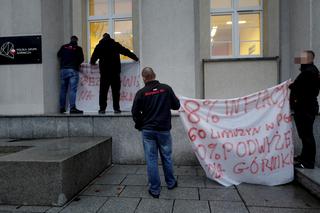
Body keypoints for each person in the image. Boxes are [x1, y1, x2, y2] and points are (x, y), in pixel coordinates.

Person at [131, 67, 180, 198]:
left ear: (144, 78)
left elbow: (135, 112)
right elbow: (176, 106)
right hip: (164, 130)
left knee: (151, 159)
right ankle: (170, 183)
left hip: (148, 131)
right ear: (155, 75)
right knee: (167, 157)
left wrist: (140, 125)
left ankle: (155, 190)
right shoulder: (166, 89)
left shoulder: (141, 93)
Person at [90, 33, 139, 114]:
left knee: (103, 92)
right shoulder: (115, 45)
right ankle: (116, 108)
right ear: (110, 38)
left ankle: (102, 109)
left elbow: (93, 59)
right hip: (115, 72)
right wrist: (135, 58)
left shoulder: (99, 46)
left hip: (104, 73)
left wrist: (93, 62)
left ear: (103, 38)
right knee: (116, 92)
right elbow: (126, 51)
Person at [290, 50, 320, 169]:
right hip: (304, 108)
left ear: (309, 59)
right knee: (304, 135)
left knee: (307, 135)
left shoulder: (309, 72)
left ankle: (309, 162)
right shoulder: (309, 71)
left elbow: (302, 88)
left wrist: (292, 86)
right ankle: (304, 157)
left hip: (305, 108)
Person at [57, 35, 84, 114]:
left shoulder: (64, 47)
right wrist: (76, 64)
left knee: (63, 90)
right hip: (73, 70)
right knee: (72, 90)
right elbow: (81, 59)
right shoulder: (78, 49)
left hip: (63, 70)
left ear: (70, 40)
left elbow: (58, 55)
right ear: (77, 41)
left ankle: (62, 108)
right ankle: (72, 108)